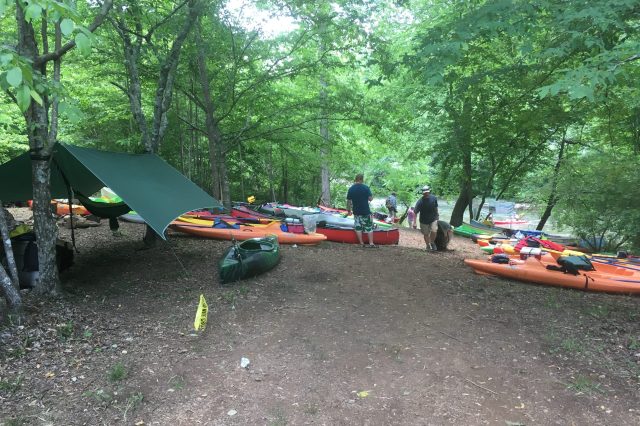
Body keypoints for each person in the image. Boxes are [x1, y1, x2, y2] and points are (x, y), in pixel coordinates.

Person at [346, 173, 376, 248]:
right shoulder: (366, 188)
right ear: (362, 179)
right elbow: (370, 199)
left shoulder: (351, 189)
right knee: (369, 227)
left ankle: (361, 243)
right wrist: (372, 197)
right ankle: (371, 243)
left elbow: (348, 201)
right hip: (365, 211)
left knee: (358, 227)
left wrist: (349, 211)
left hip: (356, 212)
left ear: (355, 179)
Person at [414, 185, 439, 251]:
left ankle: (432, 243)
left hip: (433, 218)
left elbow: (436, 207)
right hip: (423, 220)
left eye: (427, 192)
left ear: (429, 191)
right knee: (426, 234)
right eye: (424, 192)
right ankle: (428, 245)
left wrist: (437, 215)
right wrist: (414, 223)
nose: (426, 193)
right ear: (422, 193)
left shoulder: (434, 198)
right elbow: (415, 212)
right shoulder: (420, 201)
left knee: (434, 230)